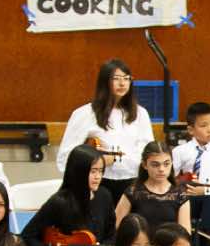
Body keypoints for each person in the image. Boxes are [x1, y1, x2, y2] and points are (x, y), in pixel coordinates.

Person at [55, 58, 152, 201]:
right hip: (98, 182)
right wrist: (95, 162)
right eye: (116, 78)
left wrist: (118, 160)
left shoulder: (140, 113)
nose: (122, 83)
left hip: (132, 182)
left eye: (126, 78)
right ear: (105, 82)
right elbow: (66, 156)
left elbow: (147, 151)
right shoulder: (85, 113)